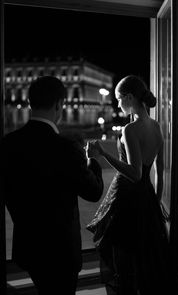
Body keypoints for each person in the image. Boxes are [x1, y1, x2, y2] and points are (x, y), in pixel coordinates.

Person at [0, 76, 104, 295]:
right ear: (59, 104)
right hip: (61, 252)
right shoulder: (66, 147)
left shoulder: (8, 144)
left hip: (28, 248)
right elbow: (93, 192)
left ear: (30, 103)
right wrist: (92, 160)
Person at [86, 75, 172, 295]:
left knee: (123, 258)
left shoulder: (130, 129)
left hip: (128, 199)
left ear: (130, 97)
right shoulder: (156, 126)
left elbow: (134, 173)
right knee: (144, 257)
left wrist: (103, 153)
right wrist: (157, 199)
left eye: (118, 99)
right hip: (147, 198)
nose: (117, 104)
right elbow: (158, 170)